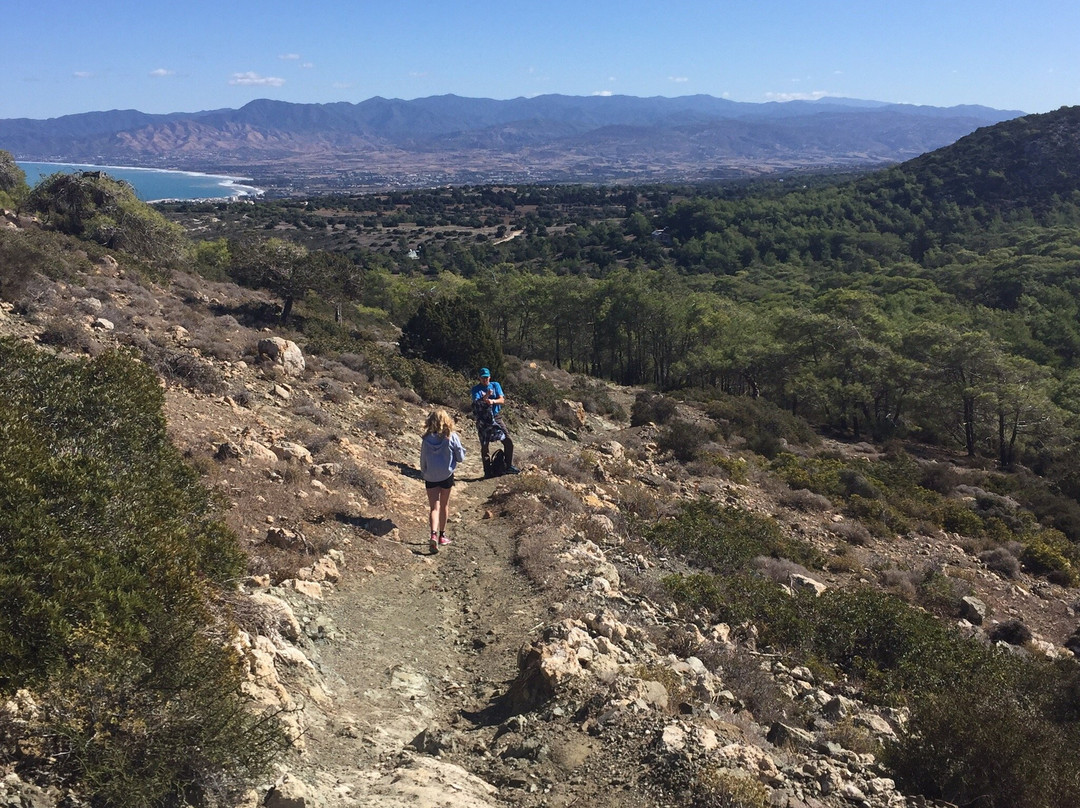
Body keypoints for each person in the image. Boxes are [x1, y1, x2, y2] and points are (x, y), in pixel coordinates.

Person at [420, 409, 466, 553]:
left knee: (434, 507)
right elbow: (460, 457)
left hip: (430, 476)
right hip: (446, 475)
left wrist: (424, 472)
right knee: (444, 505)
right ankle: (442, 536)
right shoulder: (451, 436)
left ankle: (433, 534)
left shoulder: (426, 439)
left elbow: (422, 459)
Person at [471, 367, 519, 476]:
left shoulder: (495, 385)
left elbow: (502, 400)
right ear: (479, 378)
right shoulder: (476, 389)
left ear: (490, 377)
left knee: (508, 440)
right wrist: (486, 396)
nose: (485, 380)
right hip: (483, 419)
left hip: (496, 417)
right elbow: (477, 402)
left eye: (486, 377)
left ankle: (508, 466)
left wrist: (492, 400)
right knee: (484, 445)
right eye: (483, 378)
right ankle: (487, 471)